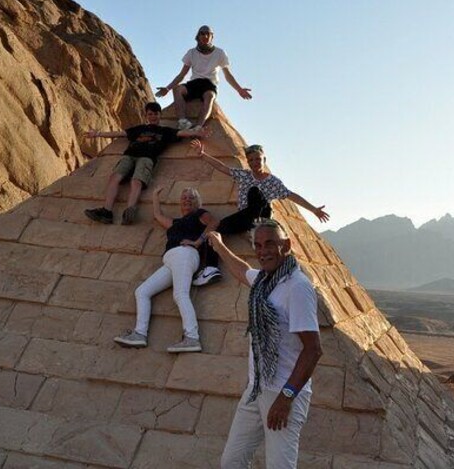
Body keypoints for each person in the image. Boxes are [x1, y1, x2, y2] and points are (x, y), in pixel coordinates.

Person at [207, 220, 322, 469]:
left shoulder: (298, 287)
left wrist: (286, 398)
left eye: (270, 243)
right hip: (257, 388)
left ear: (287, 245)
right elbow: (242, 270)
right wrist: (218, 246)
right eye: (258, 245)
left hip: (283, 392)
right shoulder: (265, 281)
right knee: (232, 461)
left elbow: (313, 350)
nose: (263, 251)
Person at [190, 141, 330, 285]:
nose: (254, 162)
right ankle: (211, 268)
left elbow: (291, 195)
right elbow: (222, 167)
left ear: (264, 160)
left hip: (262, 218)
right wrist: (202, 155)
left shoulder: (273, 181)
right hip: (245, 217)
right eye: (251, 160)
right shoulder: (244, 176)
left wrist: (314, 209)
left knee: (255, 193)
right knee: (215, 232)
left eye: (257, 159)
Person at [113, 186, 219, 353]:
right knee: (142, 291)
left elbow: (214, 222)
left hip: (185, 255)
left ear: (197, 202)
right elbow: (158, 216)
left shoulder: (200, 214)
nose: (186, 199)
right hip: (171, 260)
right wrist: (155, 196)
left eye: (191, 197)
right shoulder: (176, 223)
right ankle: (139, 334)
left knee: (180, 294)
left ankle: (192, 337)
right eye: (183, 197)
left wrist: (198, 241)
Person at [84, 102, 207, 225]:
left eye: (155, 114)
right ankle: (106, 211)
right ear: (146, 115)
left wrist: (197, 132)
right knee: (114, 178)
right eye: (150, 114)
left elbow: (181, 133)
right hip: (129, 155)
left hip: (147, 158)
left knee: (136, 181)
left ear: (160, 115)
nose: (153, 117)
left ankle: (130, 212)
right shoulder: (139, 129)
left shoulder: (164, 131)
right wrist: (97, 134)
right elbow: (120, 134)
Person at [156, 25, 252, 130]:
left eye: (208, 34)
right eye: (202, 33)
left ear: (212, 37)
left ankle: (198, 126)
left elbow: (227, 74)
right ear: (198, 36)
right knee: (178, 89)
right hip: (194, 83)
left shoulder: (220, 53)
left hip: (209, 84)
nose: (205, 36)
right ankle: (183, 122)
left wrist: (239, 90)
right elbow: (182, 74)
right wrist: (167, 88)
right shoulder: (191, 53)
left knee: (209, 96)